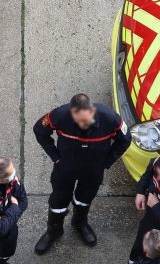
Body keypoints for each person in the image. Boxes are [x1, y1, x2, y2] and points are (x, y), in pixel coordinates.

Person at [33, 93, 132, 253]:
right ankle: (54, 230)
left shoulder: (110, 118)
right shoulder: (59, 115)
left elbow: (125, 139)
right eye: (79, 121)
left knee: (84, 199)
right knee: (58, 201)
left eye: (86, 120)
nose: (83, 124)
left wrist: (106, 162)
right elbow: (39, 130)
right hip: (65, 168)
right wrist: (55, 156)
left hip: (93, 171)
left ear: (92, 111)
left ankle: (79, 223)